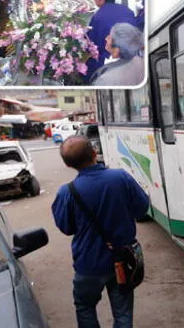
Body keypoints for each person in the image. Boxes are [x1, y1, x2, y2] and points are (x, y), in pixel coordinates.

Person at [52, 136, 149, 328]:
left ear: (68, 164)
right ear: (95, 153)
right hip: (123, 259)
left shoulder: (67, 192)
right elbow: (142, 208)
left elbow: (66, 227)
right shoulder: (120, 177)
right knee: (123, 313)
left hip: (88, 263)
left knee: (85, 307)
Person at [85, 0, 137, 81]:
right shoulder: (128, 11)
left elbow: (91, 44)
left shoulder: (98, 17)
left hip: (107, 62)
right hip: (132, 59)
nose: (94, 0)